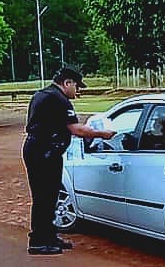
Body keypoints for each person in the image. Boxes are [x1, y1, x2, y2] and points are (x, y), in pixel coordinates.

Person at [21, 67, 115, 255]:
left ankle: (48, 235)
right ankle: (39, 241)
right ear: (67, 83)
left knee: (49, 196)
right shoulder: (58, 99)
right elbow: (76, 129)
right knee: (44, 197)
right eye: (76, 86)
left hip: (38, 150)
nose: (78, 91)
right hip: (44, 153)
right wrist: (101, 134)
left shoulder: (41, 95)